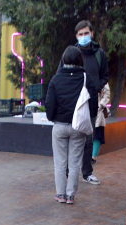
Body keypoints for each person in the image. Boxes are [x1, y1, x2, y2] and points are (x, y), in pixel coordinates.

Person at [46, 47, 86, 205]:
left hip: (60, 125)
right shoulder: (85, 78)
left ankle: (60, 194)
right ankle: (70, 195)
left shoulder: (56, 79)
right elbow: (92, 101)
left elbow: (50, 103)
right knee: (75, 163)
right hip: (78, 126)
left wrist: (52, 117)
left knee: (60, 163)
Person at [74, 20, 108, 185]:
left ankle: (87, 172)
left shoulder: (99, 53)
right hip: (74, 102)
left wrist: (97, 87)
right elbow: (62, 74)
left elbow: (105, 75)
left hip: (92, 101)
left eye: (86, 33)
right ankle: (67, 171)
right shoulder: (72, 52)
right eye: (80, 34)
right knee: (72, 136)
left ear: (92, 33)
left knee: (88, 137)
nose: (83, 37)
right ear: (76, 36)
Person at [92, 83, 111, 163]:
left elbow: (107, 95)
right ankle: (88, 156)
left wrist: (100, 105)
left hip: (98, 112)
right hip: (87, 111)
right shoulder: (86, 76)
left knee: (97, 135)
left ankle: (93, 156)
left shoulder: (103, 81)